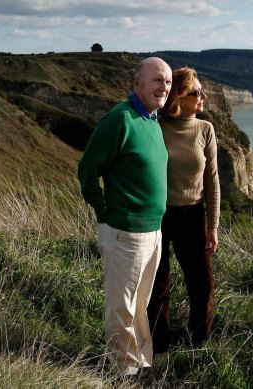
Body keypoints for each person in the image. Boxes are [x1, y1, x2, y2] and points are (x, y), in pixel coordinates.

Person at [77, 57, 172, 376]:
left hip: (153, 232)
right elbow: (88, 170)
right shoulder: (120, 119)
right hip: (125, 232)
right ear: (137, 83)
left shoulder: (152, 121)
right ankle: (122, 372)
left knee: (139, 305)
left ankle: (140, 361)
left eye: (168, 82)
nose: (164, 87)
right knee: (121, 308)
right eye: (157, 80)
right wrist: (104, 215)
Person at [147, 67, 220, 354]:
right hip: (158, 215)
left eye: (202, 91)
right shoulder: (154, 126)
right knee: (158, 285)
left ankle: (199, 345)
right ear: (179, 97)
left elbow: (212, 180)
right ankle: (159, 346)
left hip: (193, 215)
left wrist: (212, 225)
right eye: (196, 92)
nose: (203, 96)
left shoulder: (205, 129)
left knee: (202, 285)